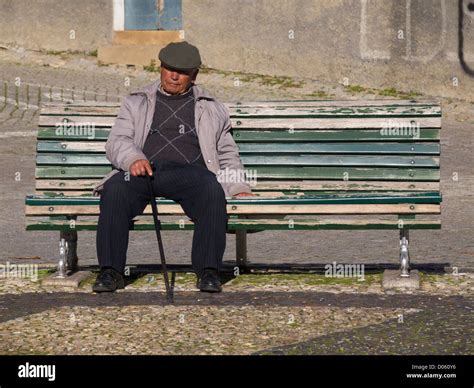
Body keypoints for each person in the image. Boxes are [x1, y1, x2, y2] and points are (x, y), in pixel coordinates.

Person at [91, 41, 256, 294]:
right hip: (146, 170)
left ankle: (208, 271)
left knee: (212, 192)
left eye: (182, 71)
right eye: (169, 69)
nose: (174, 76)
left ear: (194, 75)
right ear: (161, 68)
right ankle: (110, 272)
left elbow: (226, 153)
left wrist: (238, 187)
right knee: (115, 190)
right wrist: (133, 159)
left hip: (192, 174)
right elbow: (117, 141)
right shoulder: (136, 102)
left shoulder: (212, 108)